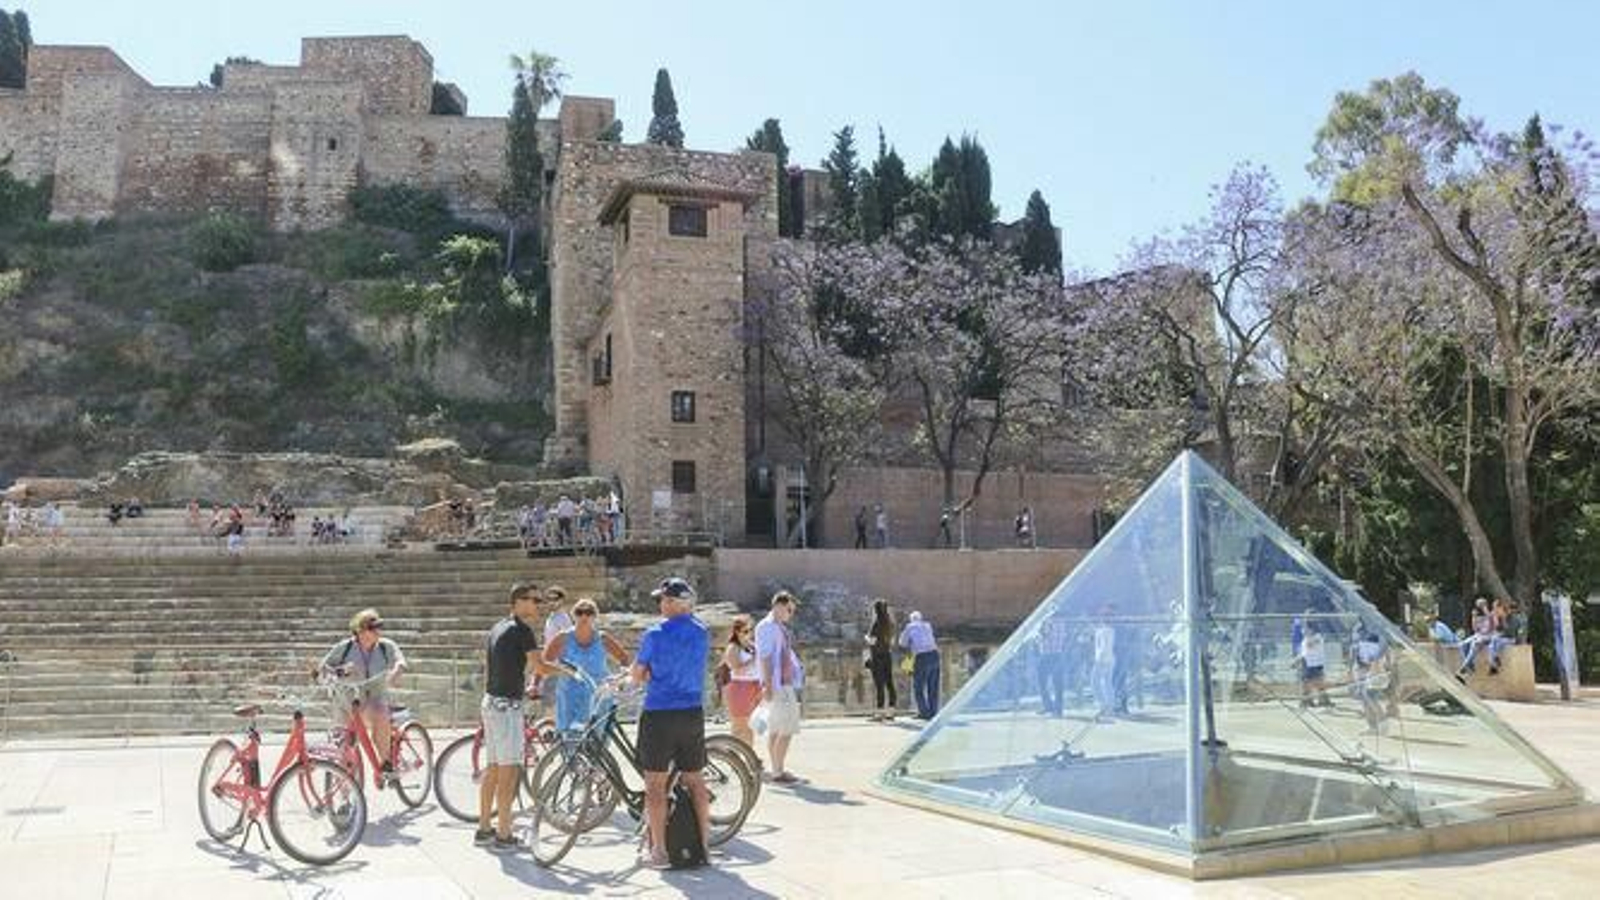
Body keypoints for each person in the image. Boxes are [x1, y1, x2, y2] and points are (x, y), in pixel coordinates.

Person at [632, 577, 712, 869]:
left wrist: (648, 673)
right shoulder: (702, 632)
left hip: (660, 712)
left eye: (664, 600)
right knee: (695, 779)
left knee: (654, 783)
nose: (660, 604)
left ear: (674, 602)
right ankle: (705, 846)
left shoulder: (654, 634)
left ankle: (660, 852)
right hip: (692, 711)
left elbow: (638, 674)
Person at [476, 582, 543, 850]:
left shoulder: (498, 627)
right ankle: (504, 833)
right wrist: (568, 672)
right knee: (508, 771)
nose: (538, 605)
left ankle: (484, 828)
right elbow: (540, 666)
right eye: (533, 600)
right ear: (519, 601)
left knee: (493, 769)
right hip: (507, 709)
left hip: (491, 703)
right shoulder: (522, 630)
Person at [319, 608, 408, 782]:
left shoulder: (385, 646)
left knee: (381, 715)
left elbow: (401, 661)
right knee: (342, 749)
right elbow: (323, 669)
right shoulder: (344, 648)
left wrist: (396, 671)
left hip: (374, 698)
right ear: (360, 631)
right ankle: (344, 796)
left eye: (378, 628)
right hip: (346, 702)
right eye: (372, 628)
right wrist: (340, 670)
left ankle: (385, 764)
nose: (377, 632)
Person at [540, 597, 629, 733]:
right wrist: (538, 682)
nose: (584, 616)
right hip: (569, 694)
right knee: (570, 737)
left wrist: (620, 680)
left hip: (598, 695)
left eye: (589, 612)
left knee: (598, 739)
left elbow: (624, 658)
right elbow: (544, 661)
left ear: (595, 616)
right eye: (580, 612)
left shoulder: (602, 638)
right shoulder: (563, 638)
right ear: (573, 615)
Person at [755, 591, 805, 783]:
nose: (790, 614)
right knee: (787, 728)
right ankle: (778, 771)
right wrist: (768, 685)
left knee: (776, 728)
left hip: (781, 682)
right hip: (778, 684)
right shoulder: (768, 627)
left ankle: (776, 769)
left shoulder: (776, 627)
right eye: (789, 609)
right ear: (779, 606)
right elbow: (766, 657)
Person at [721, 616, 761, 745]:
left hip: (754, 685)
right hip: (739, 686)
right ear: (737, 631)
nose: (749, 634)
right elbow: (736, 669)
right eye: (745, 631)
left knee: (750, 725)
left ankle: (749, 755)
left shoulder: (752, 646)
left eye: (750, 630)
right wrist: (753, 660)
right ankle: (733, 755)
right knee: (739, 725)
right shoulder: (733, 647)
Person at [898, 610, 940, 720]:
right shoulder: (928, 625)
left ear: (911, 619)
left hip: (922, 658)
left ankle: (924, 713)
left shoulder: (909, 627)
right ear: (921, 618)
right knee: (933, 687)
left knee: (919, 687)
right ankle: (933, 712)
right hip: (935, 655)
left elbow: (902, 643)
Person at [866, 600, 898, 721]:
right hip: (887, 655)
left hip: (877, 657)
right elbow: (892, 641)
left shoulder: (876, 623)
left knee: (879, 684)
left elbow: (872, 641)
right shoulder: (890, 623)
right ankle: (891, 711)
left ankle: (879, 713)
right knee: (889, 682)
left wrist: (866, 637)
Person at [1036, 610, 1070, 717]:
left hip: (1046, 655)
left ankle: (1049, 706)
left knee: (1042, 683)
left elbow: (1043, 637)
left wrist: (1039, 634)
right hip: (1058, 655)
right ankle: (1057, 710)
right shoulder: (1062, 623)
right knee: (1058, 684)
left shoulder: (1047, 622)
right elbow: (1064, 638)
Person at [1091, 605, 1117, 721]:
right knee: (1107, 683)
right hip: (1109, 659)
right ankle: (1109, 707)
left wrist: (1099, 660)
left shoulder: (1106, 630)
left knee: (1095, 681)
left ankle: (1103, 705)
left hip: (1103, 659)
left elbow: (1104, 647)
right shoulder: (1105, 629)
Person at [1297, 627, 1331, 708]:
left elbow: (1309, 646)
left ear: (1312, 629)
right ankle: (1307, 701)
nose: (1304, 630)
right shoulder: (1305, 640)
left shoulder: (1317, 637)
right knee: (1306, 683)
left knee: (1318, 683)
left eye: (1306, 629)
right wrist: (1297, 660)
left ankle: (1323, 701)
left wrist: (1297, 660)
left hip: (1315, 664)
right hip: (1308, 664)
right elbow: (1303, 653)